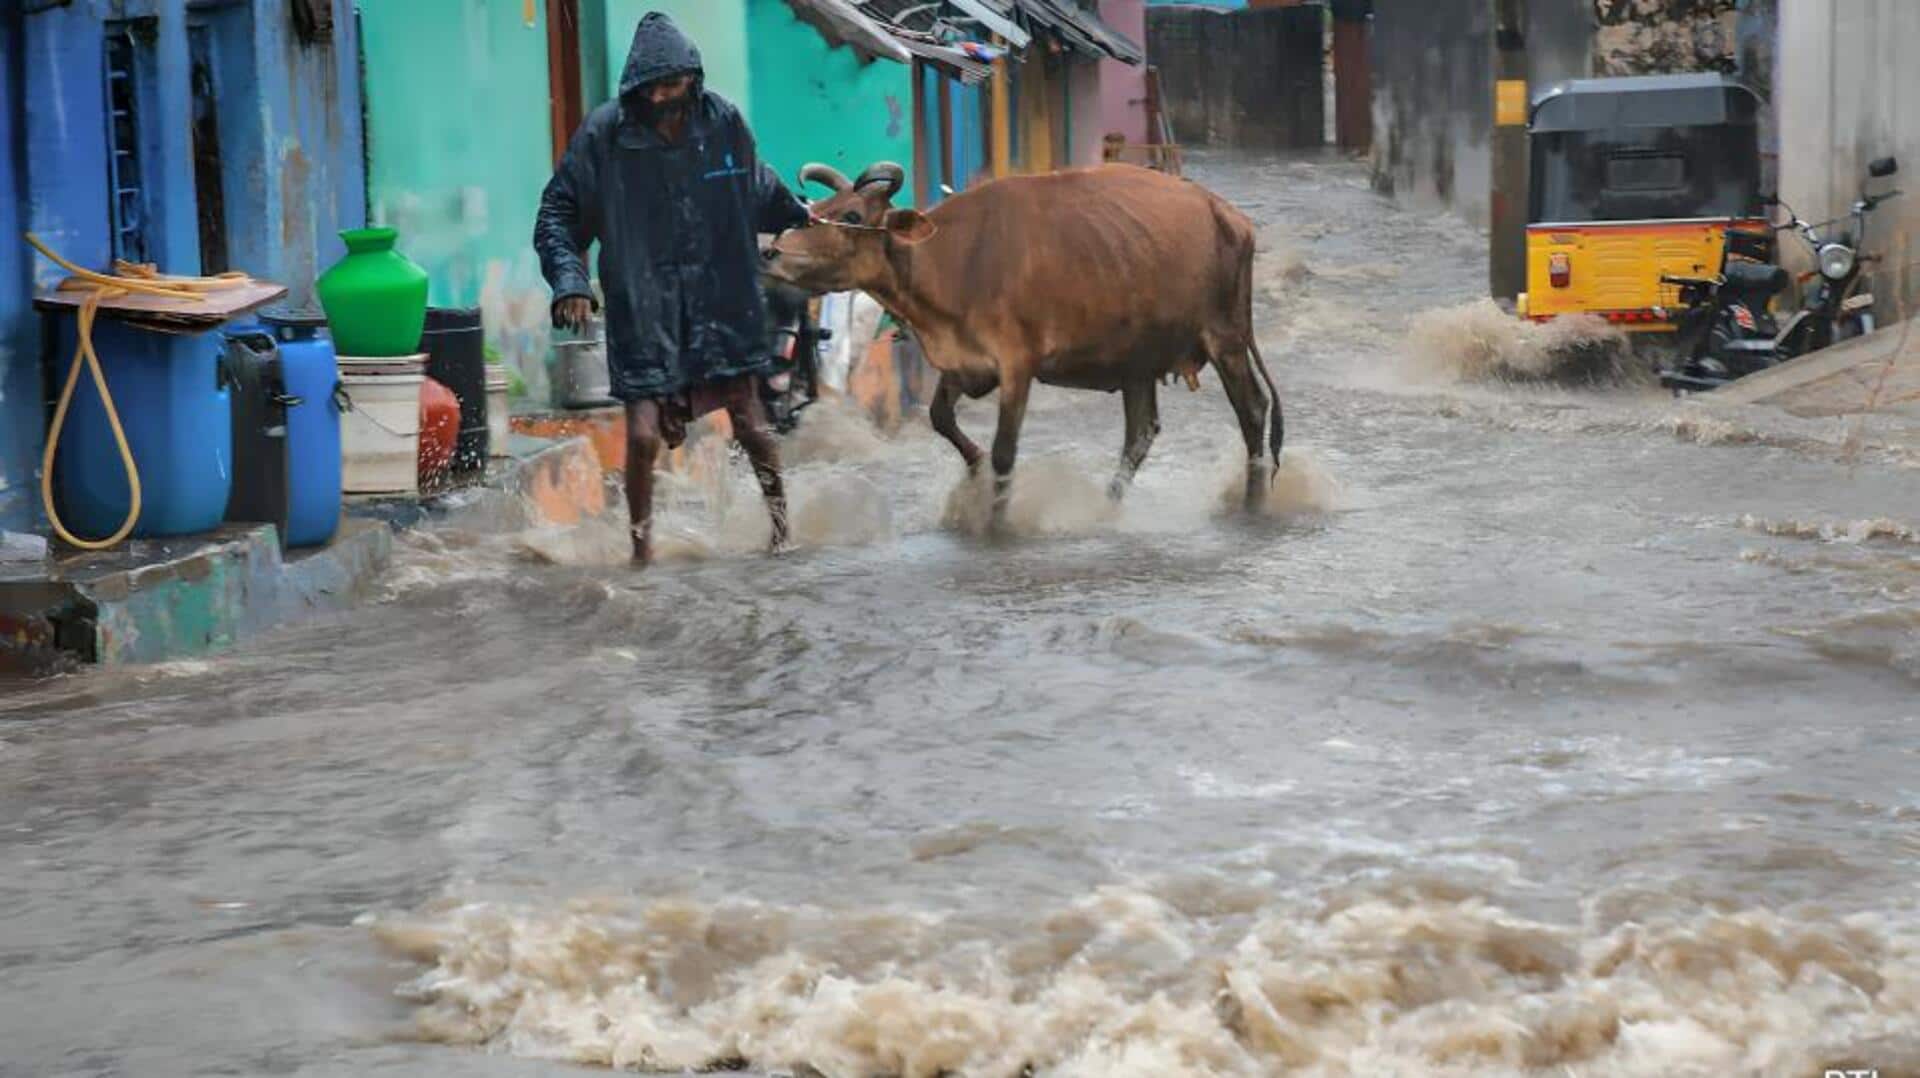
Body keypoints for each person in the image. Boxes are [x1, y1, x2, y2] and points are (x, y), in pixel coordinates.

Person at [535, 12, 810, 566]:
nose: (664, 97)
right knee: (641, 435)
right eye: (654, 87)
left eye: (674, 84)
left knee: (751, 423)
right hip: (644, 306)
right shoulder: (605, 135)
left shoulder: (722, 122)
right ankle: (641, 553)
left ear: (692, 79)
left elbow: (755, 183)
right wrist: (570, 281)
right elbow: (558, 214)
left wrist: (804, 216)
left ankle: (784, 534)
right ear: (636, 86)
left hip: (721, 302)